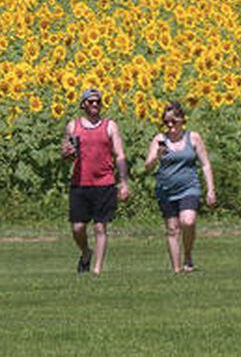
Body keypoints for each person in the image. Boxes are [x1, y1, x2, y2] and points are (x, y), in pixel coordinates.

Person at [60, 88, 130, 274]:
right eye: (90, 102)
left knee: (100, 227)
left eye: (97, 101)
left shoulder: (110, 126)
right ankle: (85, 253)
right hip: (80, 182)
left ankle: (96, 270)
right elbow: (65, 151)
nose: (94, 105)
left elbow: (120, 154)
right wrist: (66, 153)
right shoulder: (73, 126)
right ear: (83, 104)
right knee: (78, 227)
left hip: (104, 182)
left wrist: (123, 181)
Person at [144, 102, 216, 273]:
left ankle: (188, 255)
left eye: (173, 121)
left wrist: (211, 189)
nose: (170, 125)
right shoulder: (160, 140)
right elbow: (147, 166)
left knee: (188, 221)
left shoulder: (193, 138)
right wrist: (156, 157)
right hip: (166, 190)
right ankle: (177, 269)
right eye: (166, 122)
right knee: (172, 228)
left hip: (189, 187)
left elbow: (205, 164)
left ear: (182, 120)